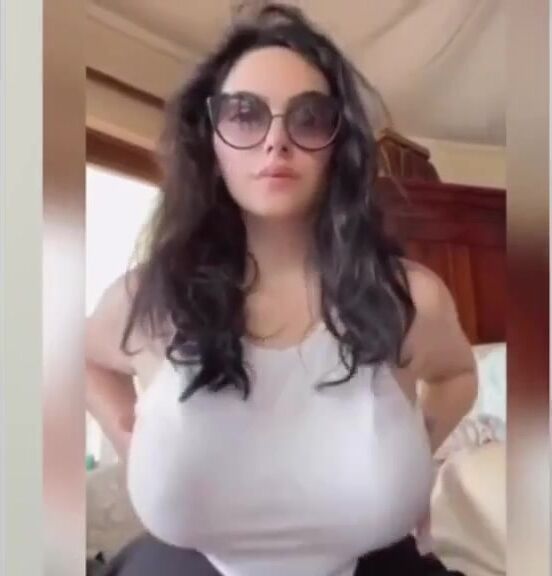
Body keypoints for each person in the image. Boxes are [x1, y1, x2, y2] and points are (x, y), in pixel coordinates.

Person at [86, 4, 477, 575]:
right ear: (211, 140)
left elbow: (459, 374)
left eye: (309, 117)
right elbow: (84, 359)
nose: (276, 141)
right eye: (245, 114)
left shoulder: (409, 299)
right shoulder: (148, 299)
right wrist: (128, 437)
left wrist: (414, 447)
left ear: (339, 146)